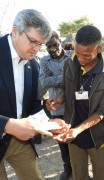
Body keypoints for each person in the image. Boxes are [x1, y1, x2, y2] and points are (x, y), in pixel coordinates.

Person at [0, 9, 67, 180]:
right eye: (33, 42)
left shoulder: (33, 64)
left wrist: (49, 123)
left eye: (40, 45)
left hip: (19, 142)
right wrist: (8, 125)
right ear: (15, 31)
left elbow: (32, 103)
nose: (36, 49)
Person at [46, 25, 104, 180]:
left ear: (99, 48)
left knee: (100, 174)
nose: (80, 59)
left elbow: (103, 111)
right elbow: (68, 88)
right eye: (77, 53)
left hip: (96, 134)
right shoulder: (70, 62)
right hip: (71, 129)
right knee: (79, 174)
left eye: (87, 55)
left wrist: (78, 130)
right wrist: (60, 99)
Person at [39, 31, 72, 180]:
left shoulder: (72, 56)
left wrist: (54, 77)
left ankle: (78, 168)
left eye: (55, 45)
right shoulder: (44, 61)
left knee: (75, 139)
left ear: (60, 41)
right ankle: (67, 169)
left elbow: (76, 78)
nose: (52, 49)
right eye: (48, 47)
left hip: (73, 106)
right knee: (61, 142)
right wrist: (66, 76)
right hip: (56, 108)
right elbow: (44, 82)